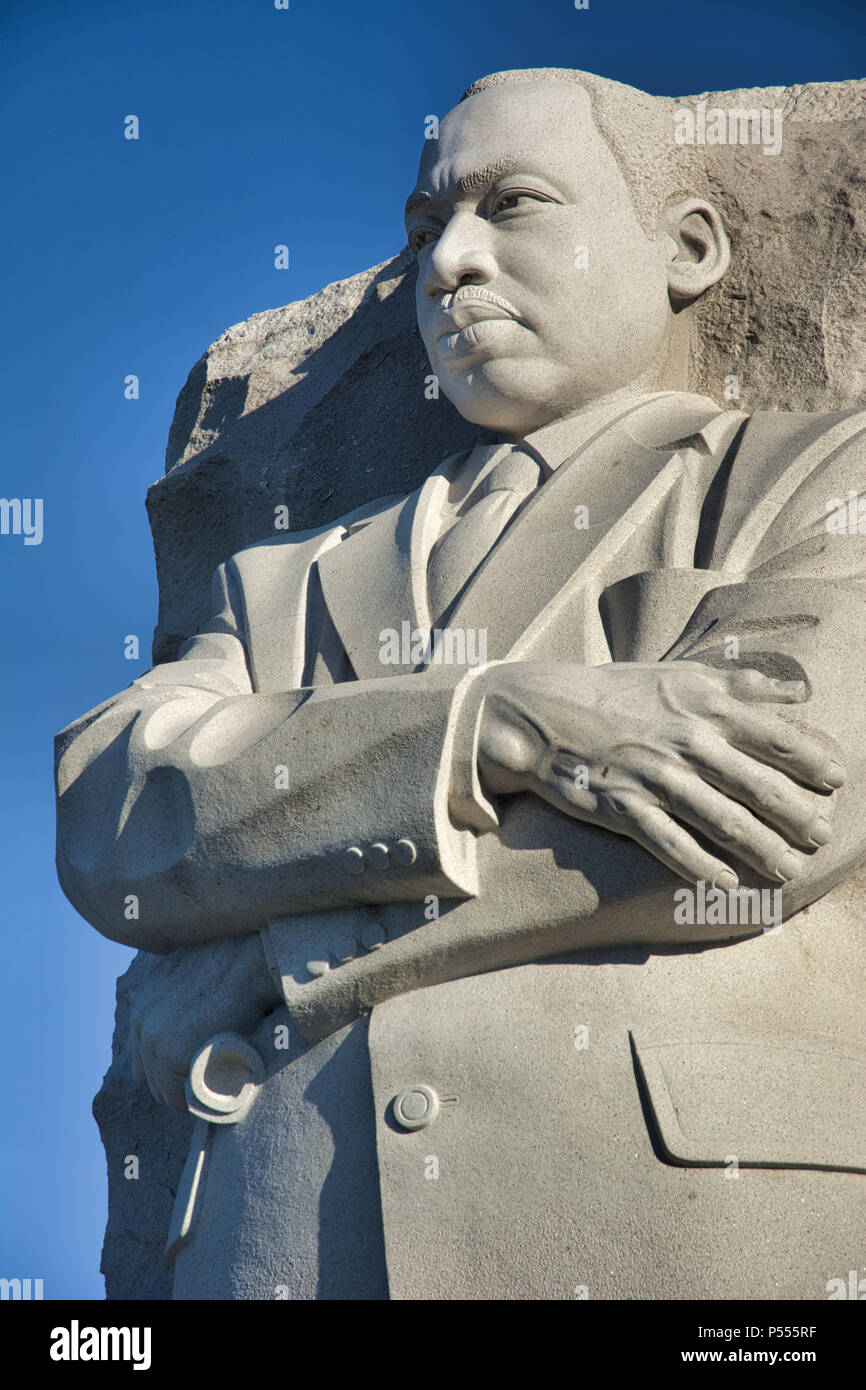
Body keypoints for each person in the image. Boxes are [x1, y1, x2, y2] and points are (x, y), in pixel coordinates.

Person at [56, 68, 866, 1300]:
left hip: (681, 1221)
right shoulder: (282, 580)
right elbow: (117, 815)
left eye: (512, 205)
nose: (449, 266)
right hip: (278, 1240)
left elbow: (765, 815)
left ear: (686, 246)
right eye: (426, 229)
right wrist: (491, 724)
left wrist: (286, 947)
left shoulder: (808, 476)